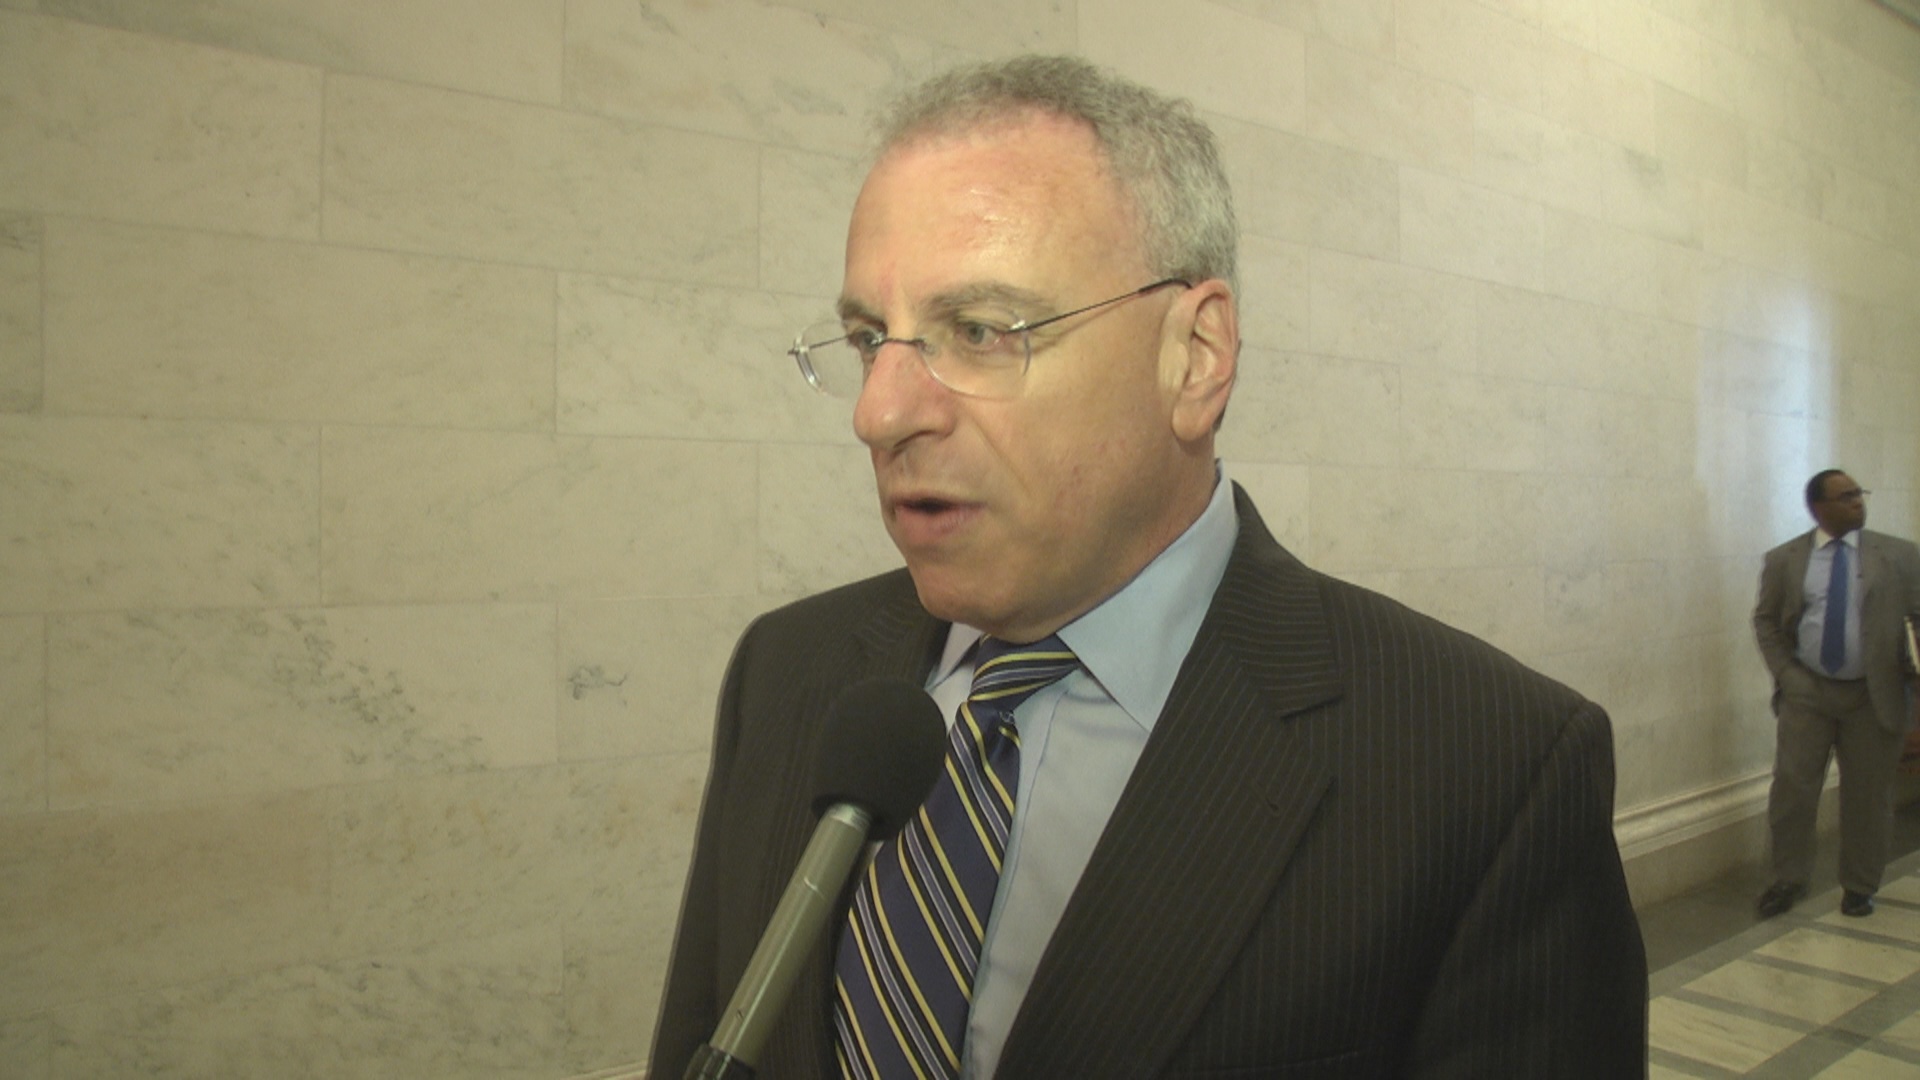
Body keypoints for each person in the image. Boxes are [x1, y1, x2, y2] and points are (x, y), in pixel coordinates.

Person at [650, 55, 1646, 1079]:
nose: (880, 412)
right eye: (870, 339)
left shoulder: (1491, 769)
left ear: (1196, 356)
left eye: (981, 331)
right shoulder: (785, 668)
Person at [1752, 469, 1920, 920]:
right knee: (1792, 791)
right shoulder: (1785, 559)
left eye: (1859, 494)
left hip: (1875, 694)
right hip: (1808, 692)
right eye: (1846, 497)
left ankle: (1860, 887)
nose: (1858, 502)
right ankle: (1787, 879)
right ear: (1817, 508)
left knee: (1868, 796)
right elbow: (1766, 620)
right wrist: (1787, 674)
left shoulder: (1899, 556)